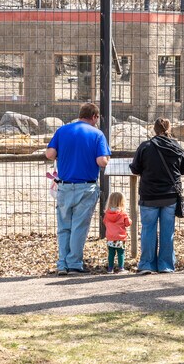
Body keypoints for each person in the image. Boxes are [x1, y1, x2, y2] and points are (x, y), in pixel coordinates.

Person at [46, 102, 111, 276]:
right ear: (95, 116)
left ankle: (62, 263)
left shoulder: (62, 130)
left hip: (64, 186)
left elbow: (50, 154)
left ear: (80, 114)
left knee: (63, 226)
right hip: (86, 186)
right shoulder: (97, 134)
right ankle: (74, 263)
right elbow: (101, 162)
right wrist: (106, 157)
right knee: (79, 226)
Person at [130, 118, 184, 275]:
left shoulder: (145, 146)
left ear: (154, 130)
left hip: (149, 195)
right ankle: (166, 265)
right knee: (167, 231)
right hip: (170, 196)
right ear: (169, 129)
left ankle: (147, 264)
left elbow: (135, 169)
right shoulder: (176, 147)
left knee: (148, 229)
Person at [103, 191, 131, 274]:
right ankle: (121, 268)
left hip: (110, 237)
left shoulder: (107, 214)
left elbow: (104, 222)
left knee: (111, 253)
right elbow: (127, 224)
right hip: (120, 237)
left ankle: (110, 269)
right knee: (121, 253)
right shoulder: (123, 214)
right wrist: (129, 220)